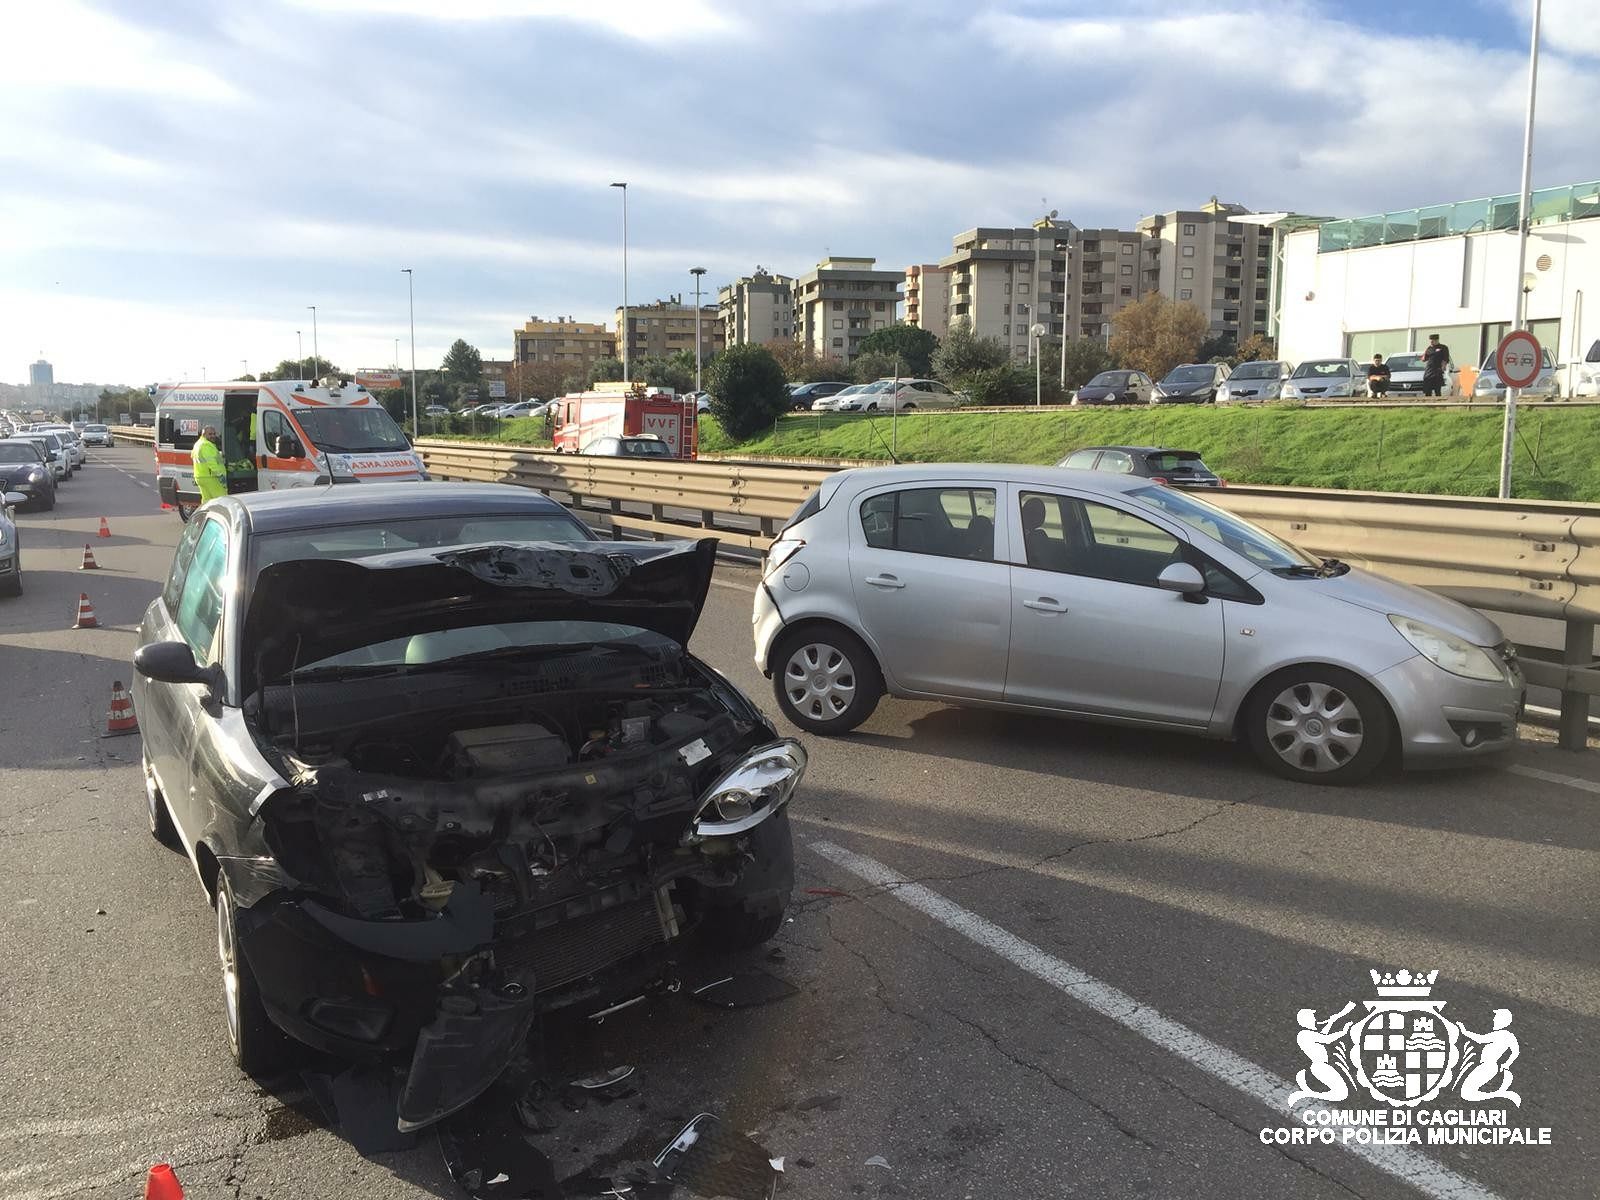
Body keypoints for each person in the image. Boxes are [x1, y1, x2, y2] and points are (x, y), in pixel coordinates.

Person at [191, 425, 228, 503]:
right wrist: (220, 475)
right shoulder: (206, 445)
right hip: (211, 477)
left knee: (207, 501)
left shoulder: (198, 444)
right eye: (210, 434)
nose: (213, 436)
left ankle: (206, 515)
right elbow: (211, 463)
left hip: (201, 477)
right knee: (221, 500)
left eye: (214, 434)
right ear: (203, 435)